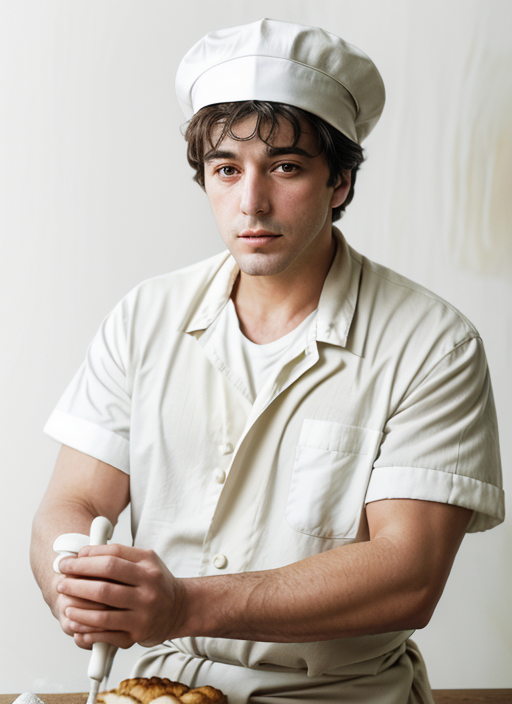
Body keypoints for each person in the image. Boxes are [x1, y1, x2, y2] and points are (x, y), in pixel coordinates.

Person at [31, 18, 504, 704]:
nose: (250, 202)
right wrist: (76, 578)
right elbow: (71, 502)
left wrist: (182, 606)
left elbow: (410, 573)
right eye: (227, 170)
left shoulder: (434, 344)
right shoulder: (144, 316)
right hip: (153, 687)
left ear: (338, 182)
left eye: (285, 166)